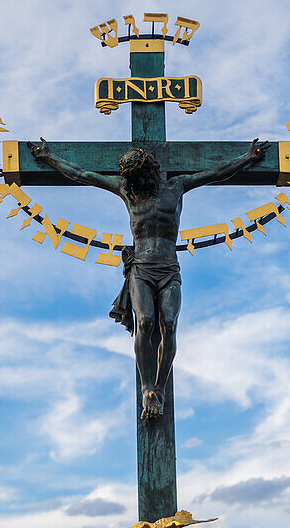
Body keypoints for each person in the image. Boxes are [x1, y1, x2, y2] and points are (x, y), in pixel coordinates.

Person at [28, 138, 268, 419]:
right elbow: (83, 175)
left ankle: (160, 389)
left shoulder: (175, 188)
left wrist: (248, 158)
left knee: (168, 323)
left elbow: (216, 172)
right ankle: (147, 388)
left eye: (140, 177)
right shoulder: (127, 192)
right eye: (132, 179)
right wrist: (48, 157)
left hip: (168, 268)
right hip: (141, 268)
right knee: (145, 321)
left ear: (150, 171)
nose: (135, 183)